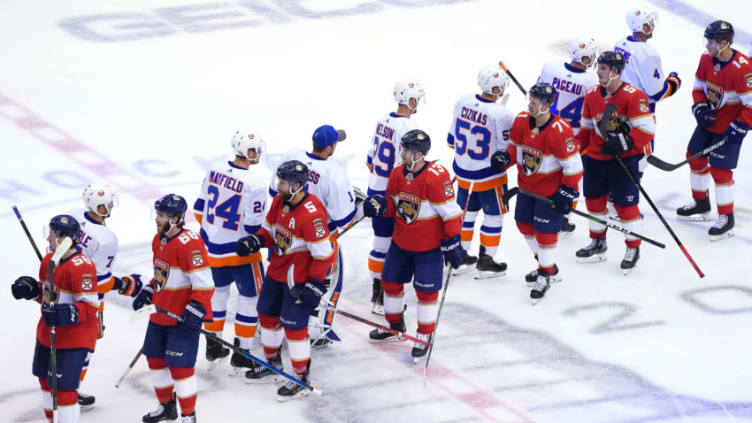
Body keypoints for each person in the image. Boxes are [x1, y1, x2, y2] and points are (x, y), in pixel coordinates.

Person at [363, 129, 465, 360]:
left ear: (418, 154)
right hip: (401, 243)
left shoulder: (436, 177)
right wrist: (380, 206)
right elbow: (393, 204)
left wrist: (452, 242)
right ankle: (394, 324)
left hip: (428, 248)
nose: (402, 153)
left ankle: (425, 334)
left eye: (406, 150)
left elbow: (451, 214)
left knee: (426, 292)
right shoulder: (398, 173)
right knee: (389, 281)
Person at [237, 160, 335, 400]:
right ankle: (273, 364)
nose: (277, 185)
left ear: (297, 185)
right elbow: (269, 231)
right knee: (267, 317)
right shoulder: (280, 201)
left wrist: (314, 284)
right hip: (277, 272)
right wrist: (256, 241)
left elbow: (324, 255)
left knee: (294, 327)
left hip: (298, 282)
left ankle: (300, 377)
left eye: (282, 182)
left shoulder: (312, 214)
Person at [491, 83, 583, 301]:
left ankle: (545, 273)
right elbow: (515, 147)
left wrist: (567, 193)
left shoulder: (560, 131)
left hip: (550, 193)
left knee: (545, 234)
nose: (529, 104)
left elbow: (574, 167)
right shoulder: (522, 120)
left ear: (548, 105)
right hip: (526, 187)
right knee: (523, 224)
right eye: (530, 100)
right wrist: (506, 158)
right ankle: (547, 265)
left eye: (534, 101)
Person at [269, 125, 360, 346]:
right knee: (322, 283)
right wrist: (363, 207)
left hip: (284, 231)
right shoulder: (335, 174)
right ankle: (312, 330)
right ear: (329, 148)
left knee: (283, 278)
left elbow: (275, 191)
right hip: (316, 238)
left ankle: (274, 328)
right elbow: (343, 219)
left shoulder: (292, 156)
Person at [133, 194, 214, 423]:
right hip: (159, 313)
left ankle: (189, 416)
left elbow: (205, 283)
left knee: (180, 369)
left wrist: (196, 309)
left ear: (176, 218)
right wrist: (149, 290)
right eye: (157, 214)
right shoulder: (158, 240)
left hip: (181, 319)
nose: (156, 219)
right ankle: (166, 407)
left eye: (161, 215)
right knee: (155, 361)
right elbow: (162, 276)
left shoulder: (190, 244)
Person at [192, 130, 268, 373]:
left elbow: (199, 208)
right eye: (254, 149)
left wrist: (214, 233)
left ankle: (213, 345)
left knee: (217, 295)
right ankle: (242, 352)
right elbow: (254, 227)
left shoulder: (214, 168)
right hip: (240, 253)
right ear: (247, 151)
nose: (257, 154)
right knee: (250, 299)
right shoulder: (255, 183)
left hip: (211, 250)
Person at [12, 215, 99, 423]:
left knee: (65, 389)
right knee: (45, 380)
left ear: (63, 238)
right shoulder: (48, 261)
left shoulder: (82, 266)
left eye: (51, 235)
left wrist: (66, 313)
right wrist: (33, 291)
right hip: (47, 334)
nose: (48, 240)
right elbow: (48, 298)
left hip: (73, 339)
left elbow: (90, 306)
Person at [574, 51, 656, 273]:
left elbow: (647, 130)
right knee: (594, 203)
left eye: (602, 68)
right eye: (598, 67)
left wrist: (623, 142)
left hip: (623, 162)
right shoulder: (591, 94)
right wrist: (571, 149)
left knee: (626, 207)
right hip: (595, 160)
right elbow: (587, 129)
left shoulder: (633, 96)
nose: (597, 71)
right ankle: (598, 242)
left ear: (616, 72)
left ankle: (633, 247)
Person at [675, 20, 752, 240]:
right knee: (694, 158)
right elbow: (699, 86)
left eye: (711, 41)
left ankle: (726, 218)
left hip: (730, 127)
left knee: (720, 170)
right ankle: (701, 204)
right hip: (709, 122)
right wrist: (699, 106)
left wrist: (741, 126)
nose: (707, 44)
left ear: (724, 42)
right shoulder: (706, 59)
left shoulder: (743, 68)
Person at [72, 183, 143, 408]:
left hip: (60, 290)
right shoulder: (106, 238)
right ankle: (69, 389)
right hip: (87, 300)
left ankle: (58, 383)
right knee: (85, 344)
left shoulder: (72, 218)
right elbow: (98, 282)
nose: (111, 205)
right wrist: (125, 284)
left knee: (62, 337)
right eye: (108, 202)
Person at [447, 66, 513, 278]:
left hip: (463, 173)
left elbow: (451, 141)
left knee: (467, 215)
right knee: (494, 218)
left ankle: (460, 257)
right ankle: (486, 261)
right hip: (489, 177)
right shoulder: (502, 114)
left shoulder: (463, 100)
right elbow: (506, 153)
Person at [366, 80, 424, 314]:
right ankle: (384, 298)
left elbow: (370, 159)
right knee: (394, 247)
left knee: (380, 243)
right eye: (416, 99)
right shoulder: (408, 129)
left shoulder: (382, 121)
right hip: (392, 195)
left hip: (375, 189)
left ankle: (377, 293)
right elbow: (408, 168)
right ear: (411, 101)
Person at [537, 36, 599, 236]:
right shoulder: (591, 80)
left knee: (547, 173)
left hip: (547, 131)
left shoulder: (550, 68)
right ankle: (564, 217)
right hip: (573, 138)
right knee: (572, 177)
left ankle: (541, 213)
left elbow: (536, 96)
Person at [615, 6, 681, 180]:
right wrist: (674, 82)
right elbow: (657, 92)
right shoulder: (648, 53)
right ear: (642, 26)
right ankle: (625, 199)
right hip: (639, 113)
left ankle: (614, 195)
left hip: (617, 106)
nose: (652, 26)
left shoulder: (621, 42)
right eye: (648, 23)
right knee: (639, 156)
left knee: (620, 151)